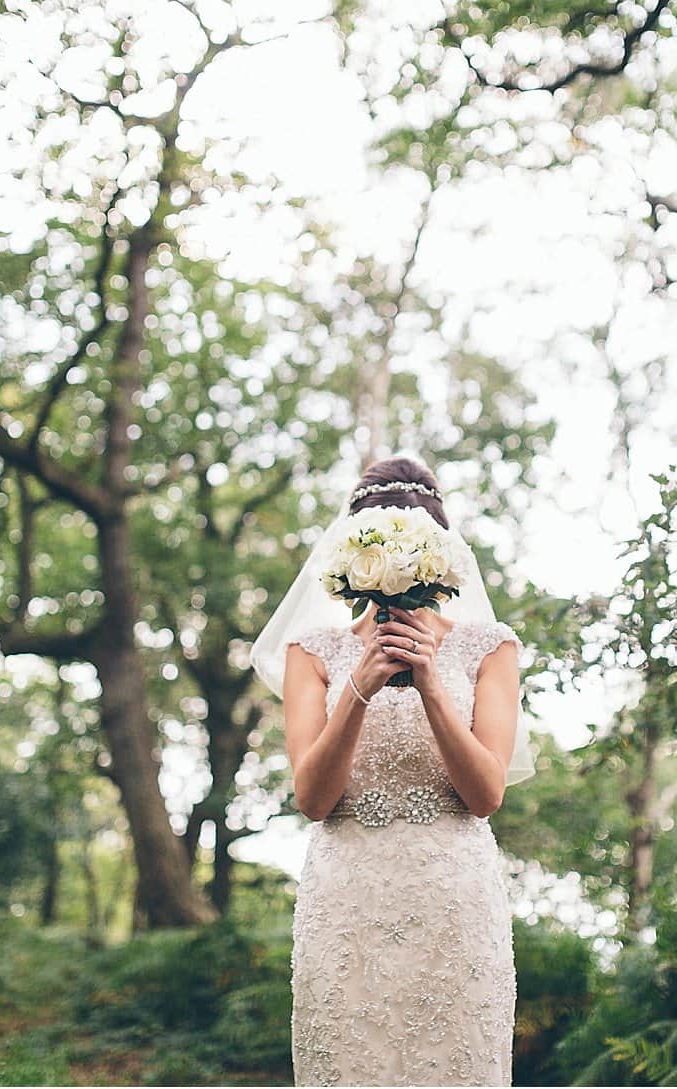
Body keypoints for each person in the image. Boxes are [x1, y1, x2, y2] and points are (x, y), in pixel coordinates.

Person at [249, 456, 536, 1087]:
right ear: (352, 563)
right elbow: (314, 799)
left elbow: (486, 794)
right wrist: (358, 686)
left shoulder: (489, 648)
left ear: (440, 561)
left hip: (454, 897)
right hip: (346, 895)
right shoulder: (313, 654)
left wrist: (432, 682)